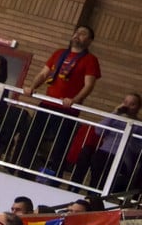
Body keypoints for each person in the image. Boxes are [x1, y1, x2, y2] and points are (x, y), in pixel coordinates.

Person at [22, 25, 101, 175]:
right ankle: (22, 169)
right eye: (76, 32)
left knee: (60, 145)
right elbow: (44, 74)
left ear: (89, 41)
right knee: (32, 137)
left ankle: (54, 176)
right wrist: (31, 87)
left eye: (83, 34)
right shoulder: (59, 53)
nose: (78, 35)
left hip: (68, 109)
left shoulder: (90, 60)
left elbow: (89, 84)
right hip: (47, 103)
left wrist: (74, 100)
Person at [70, 93, 142, 190]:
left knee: (106, 166)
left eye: (132, 104)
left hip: (122, 158)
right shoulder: (115, 119)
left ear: (138, 107)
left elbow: (138, 149)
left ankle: (96, 192)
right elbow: (98, 130)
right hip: (103, 153)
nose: (127, 106)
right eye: (125, 102)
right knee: (92, 156)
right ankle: (81, 189)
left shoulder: (139, 126)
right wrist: (115, 113)